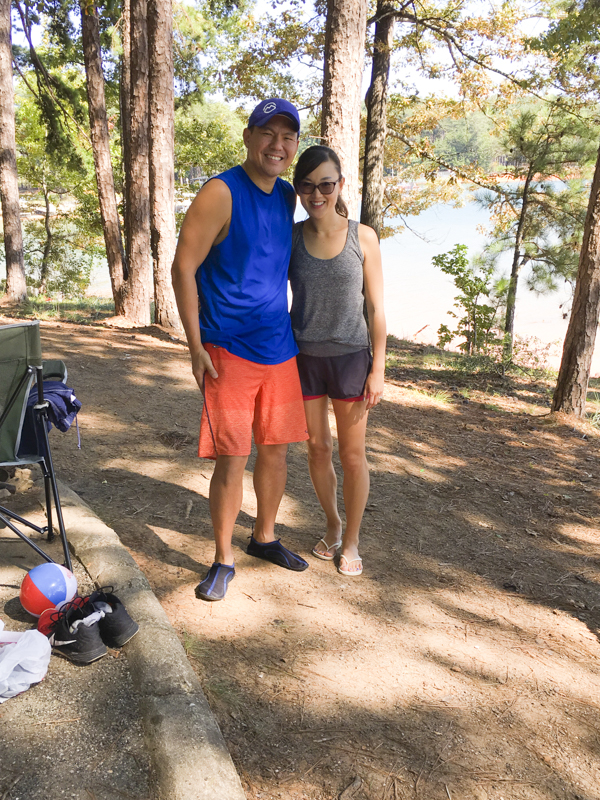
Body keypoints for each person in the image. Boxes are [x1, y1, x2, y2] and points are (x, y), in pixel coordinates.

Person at [171, 98, 310, 602]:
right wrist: (195, 346)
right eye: (267, 133)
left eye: (287, 136)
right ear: (248, 137)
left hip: (280, 347)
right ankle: (223, 558)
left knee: (276, 450)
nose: (277, 145)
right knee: (232, 458)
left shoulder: (287, 195)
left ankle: (264, 537)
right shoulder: (220, 192)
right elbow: (182, 267)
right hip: (227, 348)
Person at [289, 145, 387, 577]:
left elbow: (376, 309)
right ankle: (332, 525)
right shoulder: (292, 238)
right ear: (298, 189)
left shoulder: (362, 237)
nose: (317, 194)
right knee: (317, 448)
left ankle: (352, 540)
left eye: (326, 185)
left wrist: (378, 369)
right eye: (307, 186)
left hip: (351, 359)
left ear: (341, 185)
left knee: (352, 455)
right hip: (304, 359)